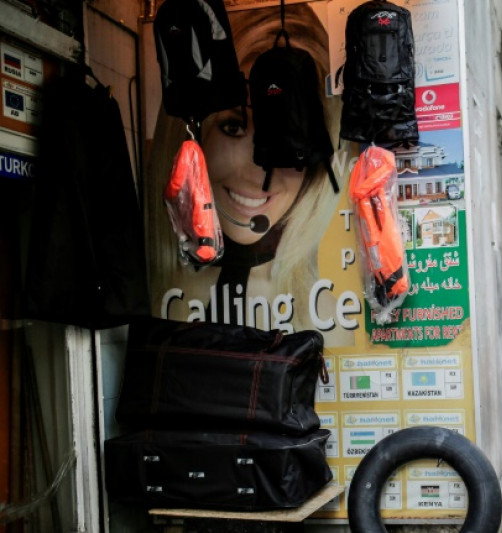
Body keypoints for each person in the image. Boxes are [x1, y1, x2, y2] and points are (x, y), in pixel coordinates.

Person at [146, 4, 354, 346]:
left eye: (286, 136)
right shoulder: (160, 294)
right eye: (234, 127)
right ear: (190, 138)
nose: (261, 168)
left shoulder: (326, 315)